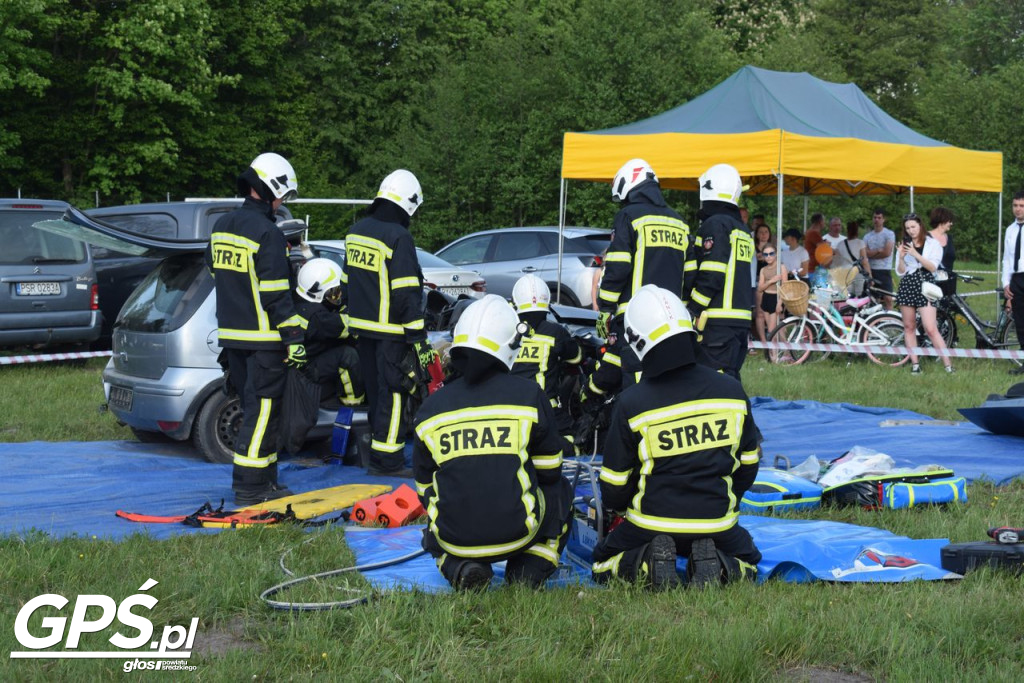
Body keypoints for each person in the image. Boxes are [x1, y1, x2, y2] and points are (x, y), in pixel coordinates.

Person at [590, 285, 761, 590]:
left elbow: (614, 488)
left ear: (638, 342)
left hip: (650, 522)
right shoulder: (732, 391)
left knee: (601, 563)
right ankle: (724, 567)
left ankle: (647, 563)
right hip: (717, 522)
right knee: (751, 561)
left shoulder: (631, 402)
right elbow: (748, 466)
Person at [412, 295, 573, 589]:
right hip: (520, 532)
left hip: (455, 538)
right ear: (511, 345)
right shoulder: (528, 395)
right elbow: (551, 471)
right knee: (561, 491)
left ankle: (461, 567)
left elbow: (425, 489)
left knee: (434, 527)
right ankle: (531, 567)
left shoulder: (430, 409)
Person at [205, 152, 303, 505]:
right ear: (271, 188)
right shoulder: (268, 233)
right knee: (262, 414)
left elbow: (218, 274)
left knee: (255, 410)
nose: (282, 203)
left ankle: (268, 481)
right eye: (283, 195)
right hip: (264, 340)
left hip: (233, 338)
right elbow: (277, 296)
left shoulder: (221, 227)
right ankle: (250, 487)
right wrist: (295, 338)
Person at [341, 169, 431, 476]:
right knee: (394, 394)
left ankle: (378, 457)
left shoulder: (356, 232)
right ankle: (388, 462)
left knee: (377, 395)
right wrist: (417, 336)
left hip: (362, 331)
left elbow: (345, 282)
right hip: (392, 332)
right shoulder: (398, 236)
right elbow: (405, 291)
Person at [585, 158, 689, 408]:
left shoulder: (628, 216)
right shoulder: (679, 222)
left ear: (629, 182)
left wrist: (605, 308)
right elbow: (689, 273)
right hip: (673, 320)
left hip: (635, 319)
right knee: (669, 378)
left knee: (636, 378)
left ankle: (635, 435)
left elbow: (618, 267)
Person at [686, 163, 754, 381]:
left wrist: (692, 309)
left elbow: (712, 273)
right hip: (739, 321)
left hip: (716, 322)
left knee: (713, 382)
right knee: (730, 380)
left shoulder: (715, 224)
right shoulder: (741, 229)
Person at [510, 274, 583, 444]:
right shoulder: (555, 332)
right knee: (573, 437)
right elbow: (576, 357)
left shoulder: (506, 333)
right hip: (546, 410)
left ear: (515, 302)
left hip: (511, 411)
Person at [292, 258, 364, 408]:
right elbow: (351, 326)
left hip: (301, 364)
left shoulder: (299, 302)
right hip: (308, 374)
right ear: (317, 292)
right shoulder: (319, 318)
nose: (337, 296)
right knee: (348, 356)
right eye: (334, 292)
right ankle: (353, 405)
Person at [896, 213, 953, 374]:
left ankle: (948, 365)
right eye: (907, 228)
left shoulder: (932, 244)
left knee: (930, 327)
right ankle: (915, 365)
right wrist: (901, 258)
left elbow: (933, 267)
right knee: (909, 326)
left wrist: (915, 254)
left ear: (920, 226)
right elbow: (900, 272)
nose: (911, 231)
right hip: (908, 284)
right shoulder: (904, 244)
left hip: (926, 284)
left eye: (913, 227)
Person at [1001, 191, 1024, 375]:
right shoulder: (1010, 229)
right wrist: (1006, 283)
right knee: (1020, 321)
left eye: (1021, 206)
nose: (1018, 209)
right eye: (1015, 205)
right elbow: (1007, 259)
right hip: (1016, 279)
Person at [864, 208, 896, 310]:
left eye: (879, 218)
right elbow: (865, 253)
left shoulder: (889, 234)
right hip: (872, 270)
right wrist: (878, 250)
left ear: (883, 219)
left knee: (888, 298)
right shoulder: (867, 236)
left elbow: (887, 252)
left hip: (884, 269)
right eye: (875, 217)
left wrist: (872, 254)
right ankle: (876, 320)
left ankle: (890, 320)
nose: (876, 220)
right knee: (873, 298)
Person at [757, 247, 788, 341]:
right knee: (777, 329)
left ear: (776, 254)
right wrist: (771, 281)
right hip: (766, 298)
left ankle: (775, 354)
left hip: (776, 298)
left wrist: (779, 303)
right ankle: (779, 352)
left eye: (771, 253)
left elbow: (785, 287)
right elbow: (760, 288)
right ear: (763, 256)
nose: (769, 256)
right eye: (766, 254)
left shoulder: (781, 267)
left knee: (771, 330)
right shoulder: (763, 270)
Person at [928, 206, 956, 297]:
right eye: (949, 221)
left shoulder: (949, 238)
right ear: (942, 220)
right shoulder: (926, 237)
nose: (951, 223)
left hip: (948, 284)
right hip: (931, 283)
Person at [841, 221, 872, 297]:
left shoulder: (841, 243)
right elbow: (864, 262)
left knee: (848, 298)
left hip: (845, 274)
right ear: (857, 231)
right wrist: (870, 277)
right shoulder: (860, 243)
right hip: (857, 274)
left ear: (847, 230)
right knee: (859, 297)